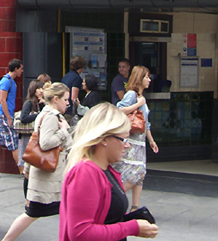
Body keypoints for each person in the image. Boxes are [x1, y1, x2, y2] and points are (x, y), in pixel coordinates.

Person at [59, 102, 158, 240]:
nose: (127, 145)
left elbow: (107, 218)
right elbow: (80, 233)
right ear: (104, 139)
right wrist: (132, 227)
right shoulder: (85, 172)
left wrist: (132, 221)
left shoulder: (105, 169)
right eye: (123, 139)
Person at [2, 82, 73, 241]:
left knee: (66, 211)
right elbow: (45, 143)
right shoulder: (51, 117)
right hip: (48, 181)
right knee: (32, 214)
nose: (68, 103)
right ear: (56, 99)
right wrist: (63, 132)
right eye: (65, 99)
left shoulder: (45, 114)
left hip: (49, 179)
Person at [114, 65, 159, 210]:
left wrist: (151, 140)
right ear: (139, 79)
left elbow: (146, 122)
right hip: (131, 140)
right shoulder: (132, 95)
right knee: (135, 172)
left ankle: (135, 206)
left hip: (140, 141)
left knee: (140, 174)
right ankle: (114, 195)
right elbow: (120, 109)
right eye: (146, 77)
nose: (149, 80)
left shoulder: (141, 97)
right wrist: (138, 104)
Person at [0, 59, 24, 175]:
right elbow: (2, 100)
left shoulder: (11, 81)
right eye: (21, 69)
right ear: (16, 68)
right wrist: (8, 117)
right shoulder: (6, 81)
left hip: (4, 115)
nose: (22, 71)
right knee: (13, 143)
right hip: (4, 115)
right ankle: (22, 171)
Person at [16, 81, 45, 177]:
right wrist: (37, 115)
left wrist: (42, 105)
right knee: (26, 159)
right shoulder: (29, 103)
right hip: (27, 136)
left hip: (34, 135)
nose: (41, 91)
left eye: (42, 88)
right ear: (33, 90)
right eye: (38, 89)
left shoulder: (39, 103)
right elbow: (24, 118)